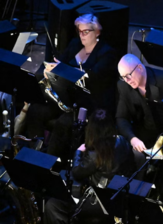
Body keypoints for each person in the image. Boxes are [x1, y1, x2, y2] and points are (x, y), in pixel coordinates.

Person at [42, 109, 135, 224]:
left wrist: (79, 152)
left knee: (53, 205)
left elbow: (77, 172)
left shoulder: (97, 153)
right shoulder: (122, 142)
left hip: (100, 202)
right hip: (119, 198)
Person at [26, 14, 118, 159]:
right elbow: (60, 64)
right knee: (35, 111)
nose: (82, 35)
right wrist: (51, 69)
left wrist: (64, 69)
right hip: (65, 98)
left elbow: (93, 77)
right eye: (79, 31)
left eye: (86, 32)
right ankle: (36, 152)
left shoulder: (107, 53)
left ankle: (51, 161)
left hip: (87, 105)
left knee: (63, 123)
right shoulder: (75, 44)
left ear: (97, 32)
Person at [116, 54, 163, 153]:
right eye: (123, 77)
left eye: (128, 75)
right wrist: (132, 138)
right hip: (144, 135)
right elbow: (121, 117)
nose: (127, 81)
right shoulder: (123, 86)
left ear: (140, 68)